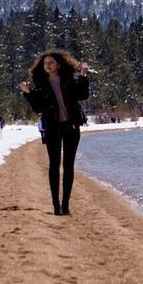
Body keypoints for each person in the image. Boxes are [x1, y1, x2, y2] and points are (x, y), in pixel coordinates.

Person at [20, 50, 89, 216]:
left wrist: (83, 75)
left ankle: (65, 205)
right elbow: (37, 107)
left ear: (58, 64)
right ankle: (56, 206)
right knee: (54, 165)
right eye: (45, 63)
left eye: (51, 62)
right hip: (52, 127)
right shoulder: (41, 84)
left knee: (68, 165)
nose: (47, 65)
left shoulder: (68, 80)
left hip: (71, 126)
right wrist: (27, 93)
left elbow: (83, 95)